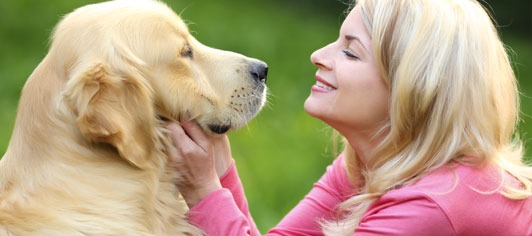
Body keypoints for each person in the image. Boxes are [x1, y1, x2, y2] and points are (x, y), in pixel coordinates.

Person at [166, 0, 532, 235]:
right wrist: (220, 170)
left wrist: (203, 189)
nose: (318, 55)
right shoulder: (372, 162)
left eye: (350, 52)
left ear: (412, 90)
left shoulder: (432, 206)